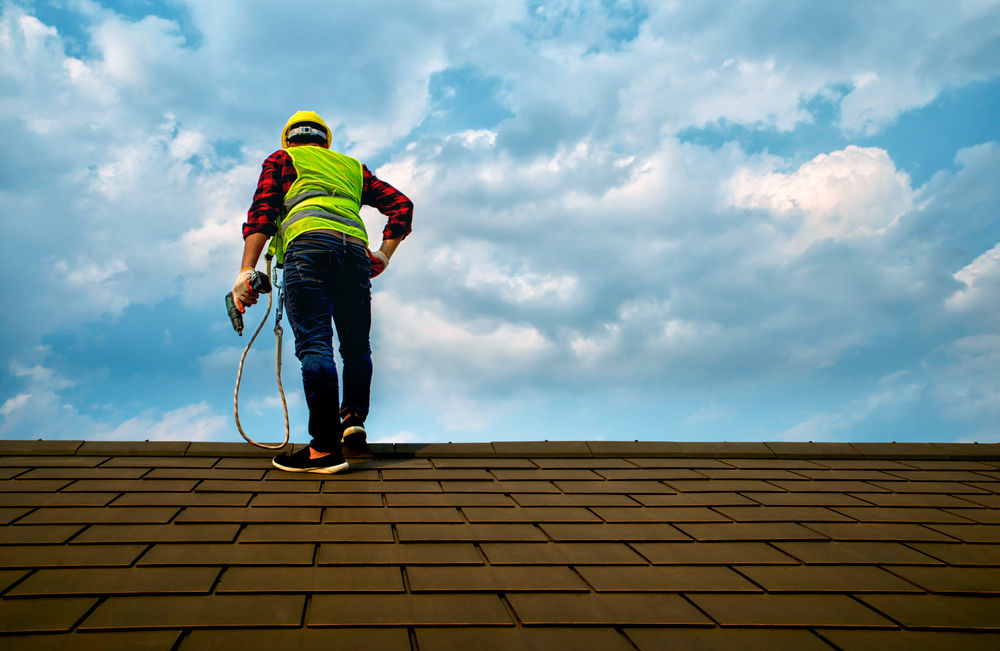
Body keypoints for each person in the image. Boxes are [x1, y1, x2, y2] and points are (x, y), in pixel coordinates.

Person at [232, 110, 413, 473]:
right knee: (357, 346)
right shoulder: (351, 167)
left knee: (315, 344)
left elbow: (263, 212)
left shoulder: (283, 159)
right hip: (354, 254)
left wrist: (246, 270)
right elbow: (402, 205)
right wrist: (383, 255)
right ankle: (353, 423)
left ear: (289, 138)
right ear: (325, 140)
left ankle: (324, 450)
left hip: (309, 248)